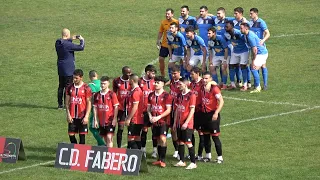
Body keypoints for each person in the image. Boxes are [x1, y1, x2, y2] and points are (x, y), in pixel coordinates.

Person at [56, 28, 85, 109]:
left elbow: (65, 42)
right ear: (67, 35)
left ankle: (60, 105)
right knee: (68, 87)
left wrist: (70, 39)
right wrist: (82, 40)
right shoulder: (68, 45)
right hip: (68, 68)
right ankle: (66, 104)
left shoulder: (58, 42)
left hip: (60, 67)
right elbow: (81, 47)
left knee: (61, 86)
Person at [148, 76, 172, 168]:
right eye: (155, 82)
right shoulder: (151, 95)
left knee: (163, 139)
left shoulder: (166, 96)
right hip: (154, 121)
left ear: (162, 84)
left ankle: (163, 160)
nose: (156, 84)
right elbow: (149, 108)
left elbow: (168, 110)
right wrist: (150, 116)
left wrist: (158, 117)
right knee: (158, 139)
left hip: (163, 121)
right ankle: (159, 159)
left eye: (158, 82)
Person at [200, 71, 224, 164]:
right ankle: (208, 156)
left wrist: (216, 113)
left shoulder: (214, 89)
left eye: (207, 78)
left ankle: (220, 157)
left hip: (212, 115)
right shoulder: (201, 87)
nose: (204, 80)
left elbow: (221, 101)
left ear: (210, 79)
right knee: (206, 136)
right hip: (204, 115)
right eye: (204, 78)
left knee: (215, 137)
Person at [173, 77, 197, 170]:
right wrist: (175, 122)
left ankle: (193, 162)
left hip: (187, 123)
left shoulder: (191, 95)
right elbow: (176, 109)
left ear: (186, 84)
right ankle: (182, 161)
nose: (178, 86)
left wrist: (186, 123)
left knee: (188, 142)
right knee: (180, 142)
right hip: (179, 122)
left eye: (180, 84)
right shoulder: (179, 95)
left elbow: (192, 110)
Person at [240, 22, 268, 93]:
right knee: (254, 67)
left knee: (253, 68)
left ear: (246, 28)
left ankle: (258, 87)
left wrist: (253, 60)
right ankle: (259, 85)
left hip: (261, 53)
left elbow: (255, 50)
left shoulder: (250, 36)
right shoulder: (247, 34)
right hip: (261, 52)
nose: (240, 29)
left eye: (241, 28)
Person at [65, 69, 91, 144]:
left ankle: (81, 154)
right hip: (72, 116)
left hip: (82, 116)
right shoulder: (69, 88)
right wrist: (68, 115)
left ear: (81, 77)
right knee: (71, 135)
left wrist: (86, 116)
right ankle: (75, 150)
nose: (74, 79)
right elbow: (67, 103)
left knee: (82, 137)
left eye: (76, 78)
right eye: (73, 78)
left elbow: (89, 103)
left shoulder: (86, 88)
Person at [93, 76, 119, 147]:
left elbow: (116, 106)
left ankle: (109, 154)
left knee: (109, 137)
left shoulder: (112, 94)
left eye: (104, 83)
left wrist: (114, 118)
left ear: (108, 84)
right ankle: (108, 152)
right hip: (101, 121)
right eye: (101, 83)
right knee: (105, 137)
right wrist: (95, 120)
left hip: (110, 120)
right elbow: (95, 108)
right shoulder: (97, 95)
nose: (102, 85)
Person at [139, 65, 157, 158]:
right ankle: (143, 150)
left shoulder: (155, 82)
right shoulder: (140, 81)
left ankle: (155, 150)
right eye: (152, 73)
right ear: (147, 72)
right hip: (143, 111)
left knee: (154, 131)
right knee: (144, 130)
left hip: (153, 110)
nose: (154, 75)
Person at [249, 8, 270, 90]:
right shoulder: (250, 22)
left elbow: (268, 33)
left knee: (261, 65)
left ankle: (265, 84)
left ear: (256, 13)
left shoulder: (261, 22)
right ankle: (257, 84)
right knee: (256, 63)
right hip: (253, 46)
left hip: (260, 47)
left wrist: (263, 40)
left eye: (251, 13)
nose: (250, 15)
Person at [225, 21, 249, 91]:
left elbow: (246, 40)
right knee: (231, 66)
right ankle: (232, 84)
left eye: (227, 26)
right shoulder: (226, 33)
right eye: (225, 26)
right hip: (235, 51)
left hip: (243, 51)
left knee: (243, 67)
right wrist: (231, 42)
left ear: (232, 26)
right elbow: (227, 40)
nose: (225, 28)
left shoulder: (238, 33)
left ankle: (245, 85)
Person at [112, 66, 132, 148]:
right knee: (120, 128)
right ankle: (119, 147)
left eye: (130, 72)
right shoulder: (116, 81)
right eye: (128, 73)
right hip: (121, 109)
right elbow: (114, 94)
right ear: (123, 73)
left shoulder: (132, 81)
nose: (129, 74)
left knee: (130, 129)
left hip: (130, 108)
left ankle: (129, 148)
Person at [157, 8, 179, 77]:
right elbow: (161, 32)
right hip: (164, 44)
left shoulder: (176, 22)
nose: (167, 15)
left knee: (172, 62)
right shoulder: (163, 22)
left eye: (168, 14)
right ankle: (162, 75)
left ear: (172, 14)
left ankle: (173, 76)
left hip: (173, 46)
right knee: (161, 59)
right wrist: (158, 40)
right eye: (166, 14)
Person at [167, 65, 182, 159]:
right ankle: (176, 150)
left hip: (179, 109)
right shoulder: (172, 81)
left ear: (179, 72)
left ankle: (181, 150)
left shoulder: (182, 82)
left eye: (175, 73)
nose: (173, 75)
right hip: (171, 109)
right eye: (172, 73)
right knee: (172, 130)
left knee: (178, 130)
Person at [233, 7, 251, 87]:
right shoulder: (233, 21)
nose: (234, 15)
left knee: (244, 65)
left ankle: (248, 81)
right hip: (236, 45)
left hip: (244, 46)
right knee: (236, 64)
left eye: (236, 13)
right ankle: (239, 80)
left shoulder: (246, 22)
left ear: (240, 14)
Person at [125, 74, 144, 149]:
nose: (128, 81)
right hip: (138, 118)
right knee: (137, 137)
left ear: (132, 81)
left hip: (135, 119)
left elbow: (135, 107)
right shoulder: (135, 90)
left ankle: (133, 157)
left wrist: (129, 118)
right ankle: (140, 156)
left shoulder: (136, 92)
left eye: (129, 79)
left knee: (131, 138)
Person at [189, 67, 205, 160]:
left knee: (201, 133)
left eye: (192, 74)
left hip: (200, 112)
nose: (191, 76)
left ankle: (200, 154)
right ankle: (192, 153)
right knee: (191, 132)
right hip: (193, 111)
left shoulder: (203, 83)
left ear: (198, 74)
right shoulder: (192, 84)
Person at [88, 70, 106, 146]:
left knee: (92, 128)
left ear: (89, 77)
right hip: (105, 107)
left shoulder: (90, 85)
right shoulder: (102, 83)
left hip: (96, 107)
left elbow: (92, 97)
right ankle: (99, 144)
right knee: (99, 127)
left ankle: (102, 144)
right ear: (97, 75)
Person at [179, 5, 197, 77]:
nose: (182, 12)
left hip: (190, 43)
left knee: (189, 61)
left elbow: (196, 27)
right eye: (181, 11)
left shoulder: (192, 19)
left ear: (188, 12)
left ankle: (192, 76)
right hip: (182, 43)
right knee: (182, 60)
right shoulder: (180, 19)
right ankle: (184, 77)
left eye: (183, 11)